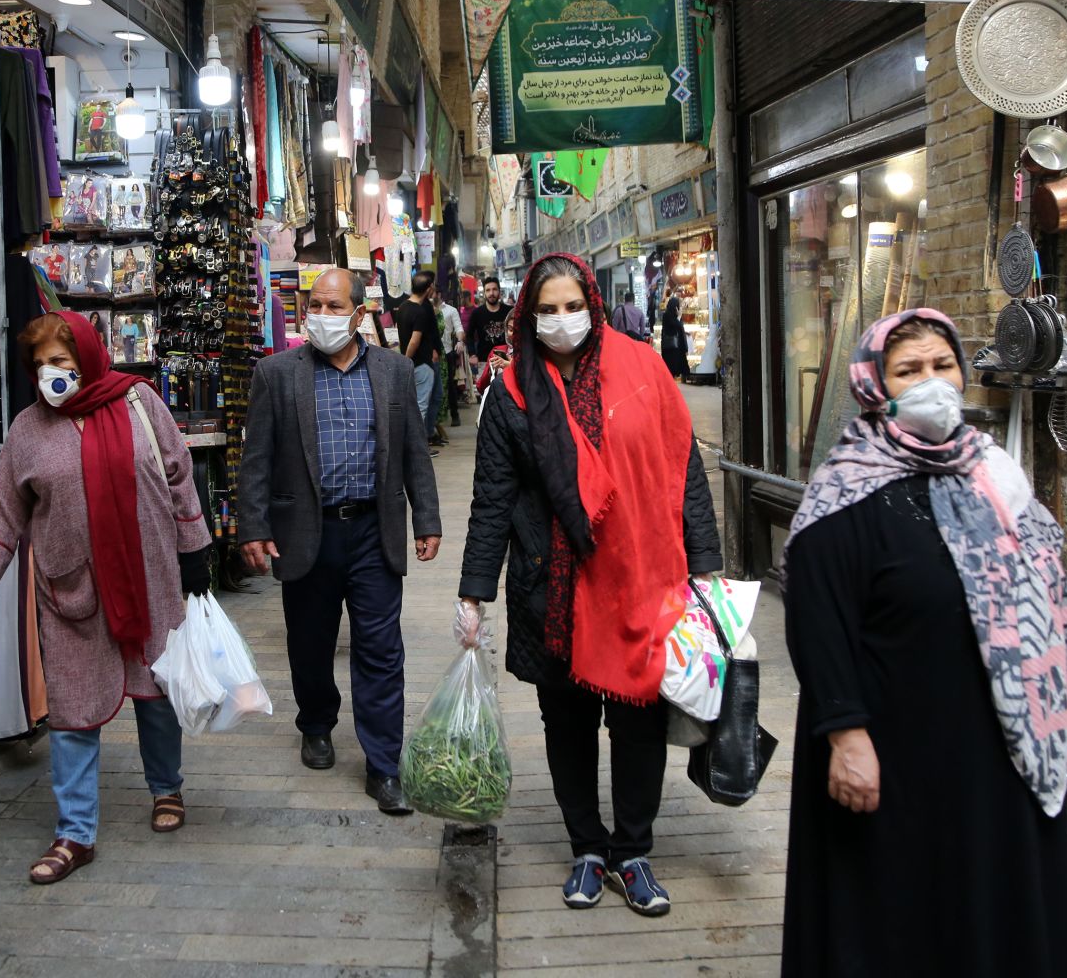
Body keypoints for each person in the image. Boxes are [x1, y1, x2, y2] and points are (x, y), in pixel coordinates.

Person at [780, 309, 1067, 977]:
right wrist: (846, 735)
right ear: (875, 385)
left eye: (942, 365)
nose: (931, 382)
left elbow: (1052, 590)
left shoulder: (993, 472)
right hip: (896, 754)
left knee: (999, 907)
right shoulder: (845, 490)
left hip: (1003, 748)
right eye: (909, 371)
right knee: (905, 917)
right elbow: (819, 620)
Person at [458, 254, 721, 918]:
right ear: (527, 314)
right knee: (566, 722)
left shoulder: (641, 368)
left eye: (571, 305)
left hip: (639, 576)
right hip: (553, 585)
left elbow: (681, 463)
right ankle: (587, 847)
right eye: (546, 309)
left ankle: (633, 851)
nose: (561, 319)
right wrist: (473, 593)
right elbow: (492, 500)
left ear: (593, 305)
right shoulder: (512, 391)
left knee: (639, 716)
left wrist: (705, 563)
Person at [0, 311, 212, 885]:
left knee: (156, 693)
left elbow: (179, 476)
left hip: (149, 578)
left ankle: (166, 787)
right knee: (73, 713)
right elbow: (5, 511)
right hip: (70, 592)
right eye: (42, 365)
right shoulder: (29, 429)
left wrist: (194, 547)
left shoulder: (139, 403)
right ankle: (75, 832)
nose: (52, 374)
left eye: (62, 362)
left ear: (89, 359)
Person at [237, 268, 443, 815]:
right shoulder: (277, 374)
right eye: (316, 305)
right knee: (310, 641)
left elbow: (414, 454)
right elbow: (255, 457)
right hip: (307, 531)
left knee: (381, 650)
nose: (322, 315)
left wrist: (428, 517)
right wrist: (253, 527)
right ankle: (316, 723)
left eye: (334, 306)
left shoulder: (395, 372)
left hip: (375, 531)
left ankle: (384, 764)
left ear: (358, 314)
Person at [395, 270, 442, 450]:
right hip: (421, 364)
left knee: (413, 406)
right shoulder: (420, 312)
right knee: (421, 407)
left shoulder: (403, 307)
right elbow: (414, 340)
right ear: (429, 289)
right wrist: (406, 360)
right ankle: (418, 449)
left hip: (413, 364)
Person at [466, 276, 512, 381]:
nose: (491, 293)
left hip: (506, 360)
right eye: (488, 290)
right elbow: (469, 335)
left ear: (499, 292)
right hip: (484, 361)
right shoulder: (477, 313)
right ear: (485, 293)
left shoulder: (509, 311)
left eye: (494, 289)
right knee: (484, 394)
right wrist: (472, 354)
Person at [435, 289, 465, 432]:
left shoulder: (451, 311)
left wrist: (459, 341)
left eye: (433, 292)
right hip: (432, 353)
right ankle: (436, 419)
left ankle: (454, 414)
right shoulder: (426, 309)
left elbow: (459, 328)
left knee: (450, 384)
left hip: (447, 352)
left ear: (439, 294)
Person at [660, 295, 688, 379]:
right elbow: (677, 325)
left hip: (674, 346)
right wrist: (679, 317)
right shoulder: (667, 315)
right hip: (671, 346)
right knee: (671, 366)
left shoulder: (673, 315)